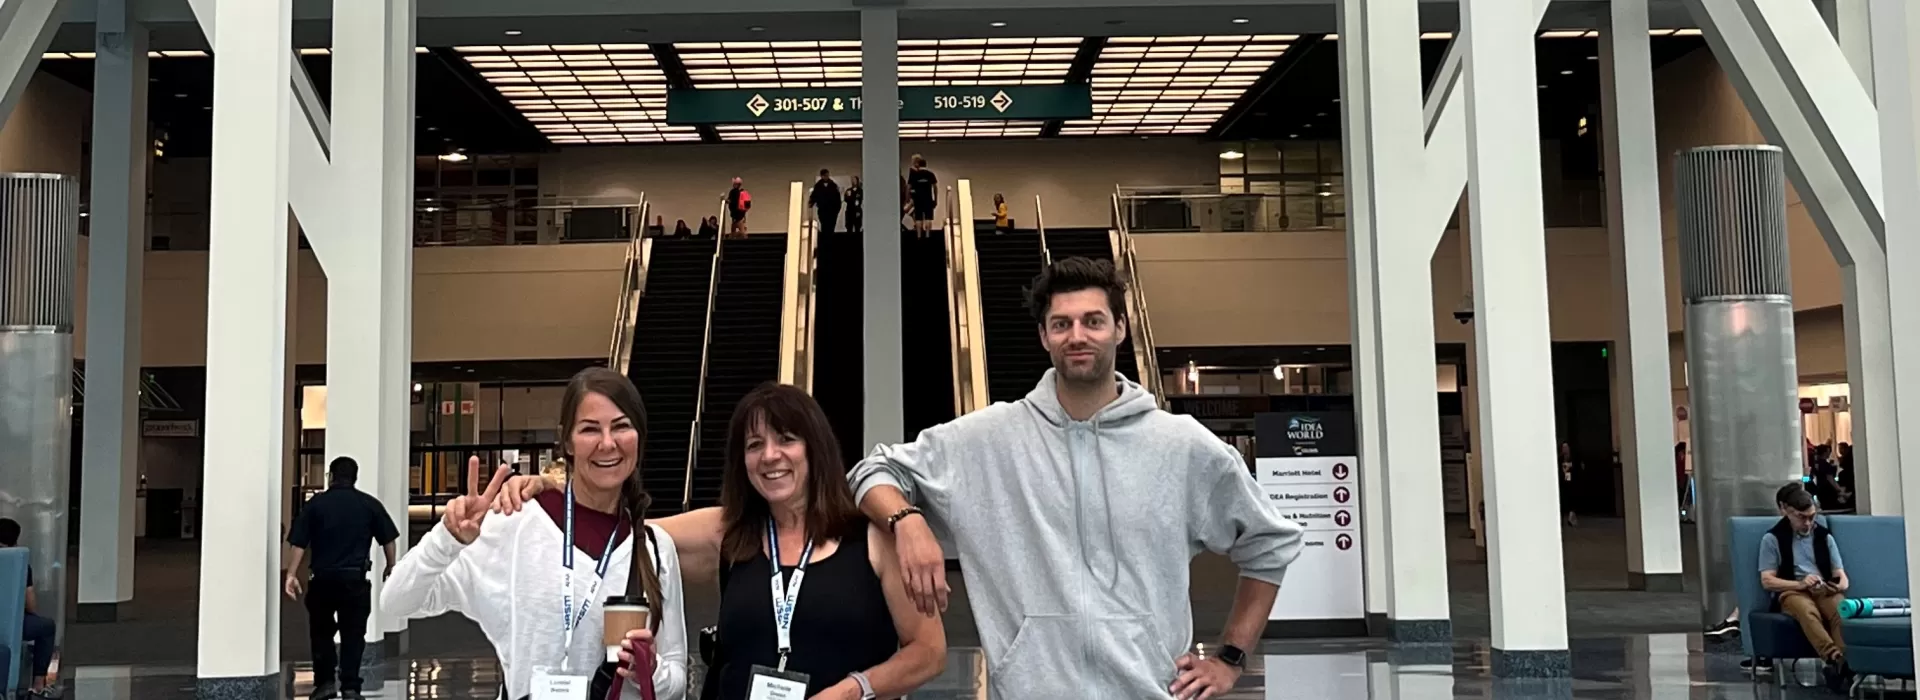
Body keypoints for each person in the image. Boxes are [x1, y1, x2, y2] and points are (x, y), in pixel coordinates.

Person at [847, 257, 1304, 700]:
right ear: (1044, 336)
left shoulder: (1180, 445)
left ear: (1121, 328)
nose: (1077, 336)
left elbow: (1270, 542)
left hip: (1151, 690)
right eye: (1062, 324)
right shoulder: (987, 440)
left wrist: (1229, 658)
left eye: (1093, 321)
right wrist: (907, 520)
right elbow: (872, 470)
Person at [496, 383, 946, 700]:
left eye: (786, 440)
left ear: (815, 448)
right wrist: (552, 488)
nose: (769, 456)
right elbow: (617, 532)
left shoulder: (869, 541)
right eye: (754, 445)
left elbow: (928, 652)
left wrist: (853, 690)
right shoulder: (728, 533)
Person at [383, 368, 689, 700]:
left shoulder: (655, 549)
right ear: (567, 442)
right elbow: (397, 601)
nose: (607, 443)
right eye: (589, 429)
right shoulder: (515, 524)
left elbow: (677, 679)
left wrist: (651, 669)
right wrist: (447, 539)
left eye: (621, 426)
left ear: (639, 437)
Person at [284, 457, 402, 700]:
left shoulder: (316, 505)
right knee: (353, 635)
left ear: (331, 476)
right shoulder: (368, 504)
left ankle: (325, 683)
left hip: (322, 581)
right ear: (355, 478)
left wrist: (291, 573)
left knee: (321, 633)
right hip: (355, 582)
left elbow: (299, 543)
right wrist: (391, 566)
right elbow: (388, 538)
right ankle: (350, 687)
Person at [1759, 482, 1851, 690]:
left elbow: (1843, 578)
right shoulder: (1772, 539)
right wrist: (1800, 584)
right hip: (1792, 589)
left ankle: (1843, 660)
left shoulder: (1824, 536)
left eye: (1812, 517)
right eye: (1802, 517)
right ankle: (1834, 658)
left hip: (1823, 588)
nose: (1808, 523)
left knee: (1840, 609)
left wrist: (1834, 587)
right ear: (1787, 512)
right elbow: (1767, 580)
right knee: (1807, 610)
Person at [0, 519, 56, 698]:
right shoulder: (18, 563)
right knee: (47, 627)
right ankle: (38, 685)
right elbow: (31, 605)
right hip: (11, 625)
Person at [906, 156, 937, 238]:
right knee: (928, 218)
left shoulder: (914, 175)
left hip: (918, 199)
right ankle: (927, 235)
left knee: (918, 218)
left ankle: (919, 236)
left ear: (919, 165)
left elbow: (908, 187)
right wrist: (935, 199)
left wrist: (908, 198)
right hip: (928, 199)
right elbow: (935, 187)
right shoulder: (930, 174)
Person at [810, 169, 843, 236]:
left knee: (831, 228)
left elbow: (838, 198)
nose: (826, 177)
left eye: (827, 175)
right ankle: (825, 243)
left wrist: (837, 209)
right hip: (823, 210)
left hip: (832, 211)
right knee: (824, 227)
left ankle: (830, 243)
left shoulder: (833, 185)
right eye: (825, 175)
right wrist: (811, 202)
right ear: (822, 176)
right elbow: (814, 196)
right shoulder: (818, 186)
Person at [1557, 441, 1580, 526]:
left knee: (1572, 499)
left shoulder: (1573, 458)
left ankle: (1571, 517)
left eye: (1566, 447)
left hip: (1572, 481)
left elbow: (1577, 469)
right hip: (1563, 482)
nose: (1565, 449)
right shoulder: (1560, 458)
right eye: (1563, 448)